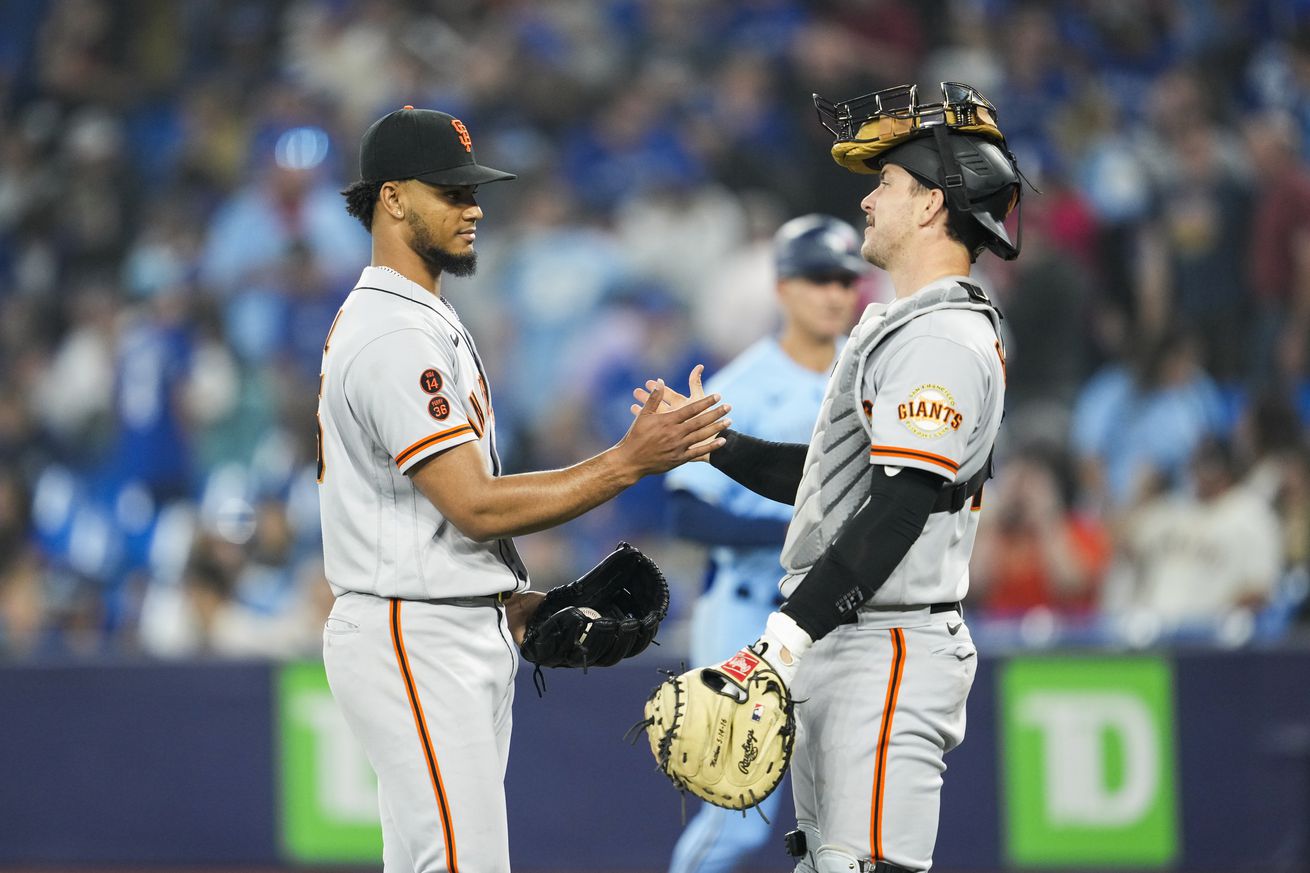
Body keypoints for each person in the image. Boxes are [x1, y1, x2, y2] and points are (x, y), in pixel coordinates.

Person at [316, 106, 730, 873]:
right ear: (393, 198)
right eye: (450, 191)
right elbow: (471, 503)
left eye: (475, 191)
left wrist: (504, 596)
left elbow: (438, 513)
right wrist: (628, 461)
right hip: (415, 633)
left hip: (440, 621)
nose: (473, 207)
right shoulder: (398, 334)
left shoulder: (420, 316)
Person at [636, 82, 1022, 872]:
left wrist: (786, 631)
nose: (870, 199)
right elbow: (829, 483)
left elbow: (901, 505)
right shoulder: (899, 322)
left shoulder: (942, 339)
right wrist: (716, 442)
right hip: (852, 637)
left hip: (889, 638)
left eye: (888, 183)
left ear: (930, 206)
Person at [664, 214, 866, 873]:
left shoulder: (867, 382)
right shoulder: (739, 385)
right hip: (748, 614)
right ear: (782, 287)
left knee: (847, 820)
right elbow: (688, 514)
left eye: (844, 279)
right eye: (818, 278)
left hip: (839, 617)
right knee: (739, 818)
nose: (835, 293)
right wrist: (799, 531)